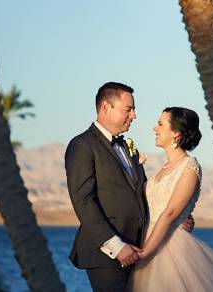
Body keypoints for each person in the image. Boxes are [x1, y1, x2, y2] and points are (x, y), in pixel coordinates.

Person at [65, 82, 193, 291]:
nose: (134, 116)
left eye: (133, 110)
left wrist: (178, 217)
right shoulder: (82, 145)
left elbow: (142, 194)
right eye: (128, 109)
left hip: (140, 250)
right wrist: (117, 247)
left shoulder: (127, 146)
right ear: (106, 108)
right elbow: (83, 202)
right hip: (107, 255)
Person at [129, 107, 213, 291]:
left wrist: (145, 252)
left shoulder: (189, 167)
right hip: (148, 238)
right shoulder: (163, 168)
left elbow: (171, 212)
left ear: (176, 134)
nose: (154, 128)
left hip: (169, 248)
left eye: (160, 124)